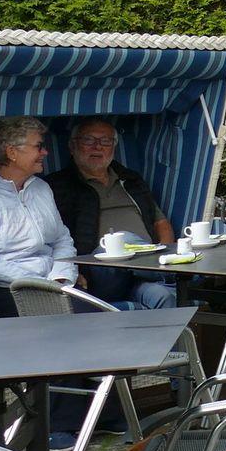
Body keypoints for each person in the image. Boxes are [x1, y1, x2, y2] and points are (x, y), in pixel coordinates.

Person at [0, 117, 77, 319]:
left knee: (95, 316)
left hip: (54, 284)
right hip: (6, 289)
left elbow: (62, 239)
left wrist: (61, 277)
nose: (45, 152)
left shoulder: (41, 188)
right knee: (63, 320)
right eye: (38, 146)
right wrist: (37, 283)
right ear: (12, 153)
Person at [45, 117, 178, 311]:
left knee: (163, 297)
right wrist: (70, 272)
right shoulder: (56, 186)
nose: (98, 147)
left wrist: (166, 251)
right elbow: (52, 239)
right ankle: (170, 271)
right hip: (99, 275)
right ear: (72, 146)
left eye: (105, 141)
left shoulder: (131, 180)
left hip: (140, 275)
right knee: (120, 241)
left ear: (113, 147)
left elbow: (161, 223)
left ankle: (162, 271)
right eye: (89, 140)